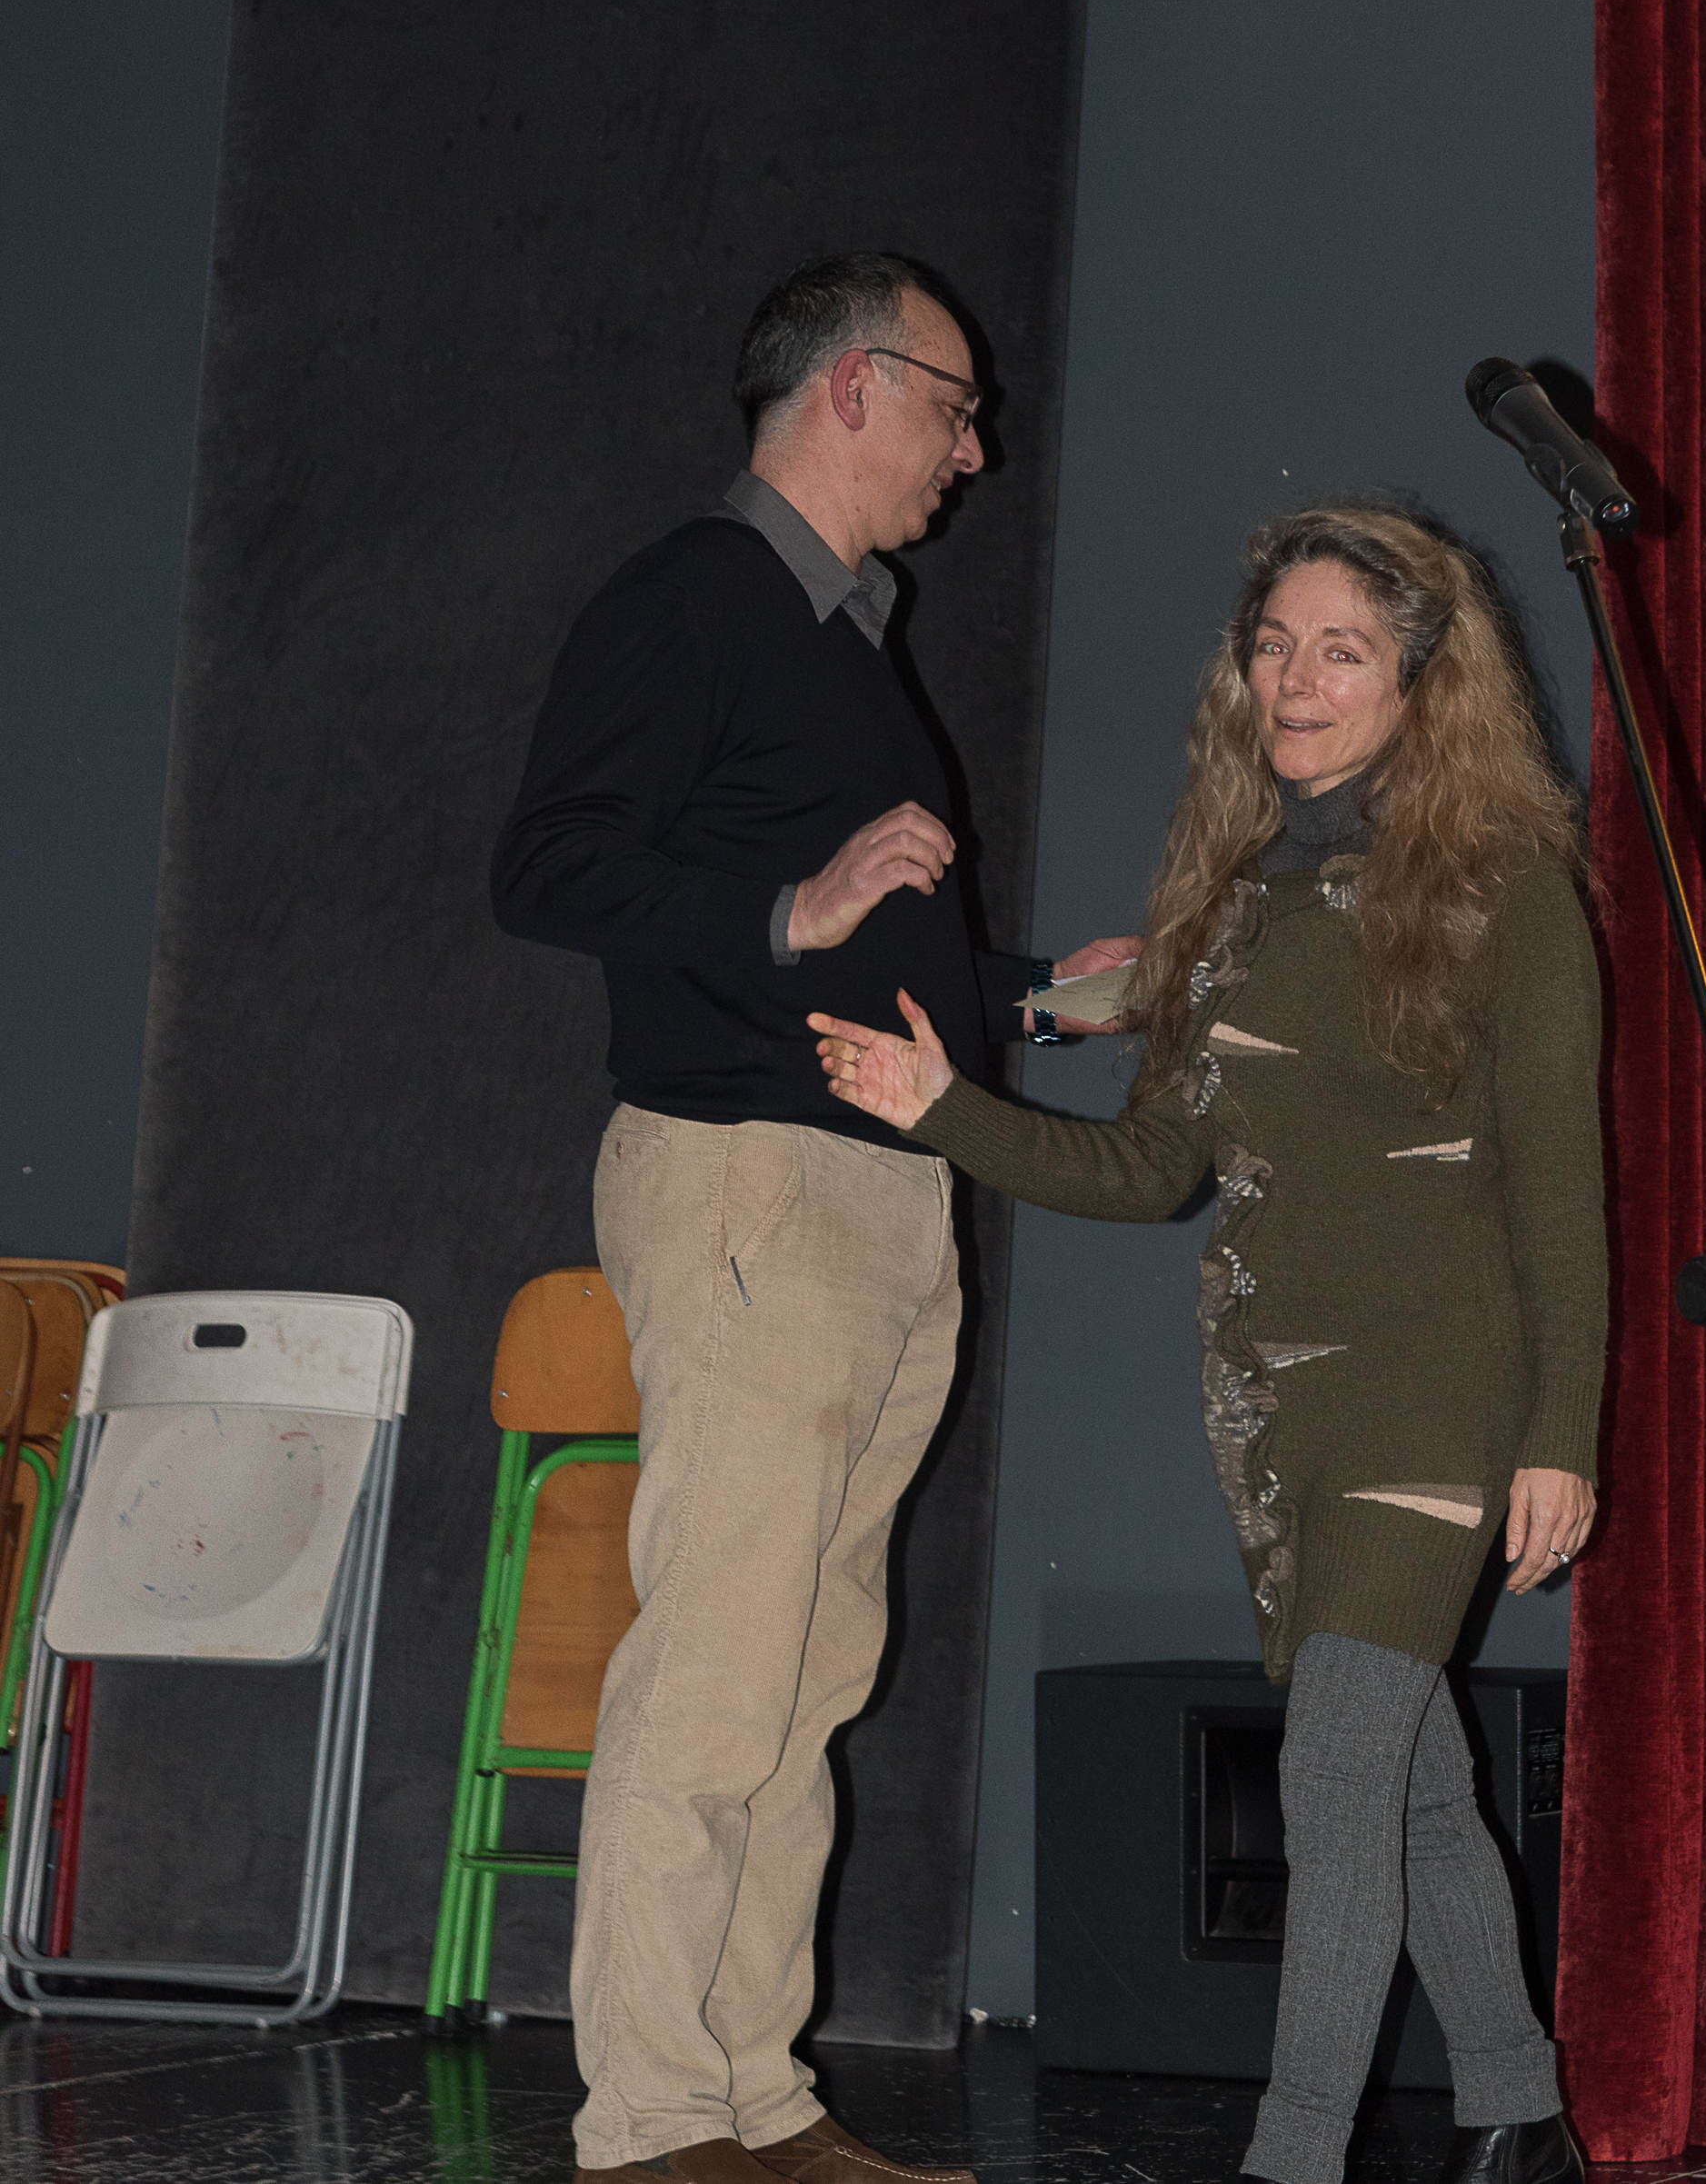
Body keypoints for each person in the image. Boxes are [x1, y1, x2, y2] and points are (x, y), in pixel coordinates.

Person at [809, 504, 1609, 2184]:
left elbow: (1561, 1192)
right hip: (1276, 1405)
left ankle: (1290, 2158)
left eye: (1343, 651)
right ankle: (1521, 2111)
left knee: (1334, 1777)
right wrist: (946, 1106)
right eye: (1273, 646)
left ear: (1421, 683)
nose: (1296, 681)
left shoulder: (1510, 890)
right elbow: (1150, 1169)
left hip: (1440, 1394)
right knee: (1409, 1787)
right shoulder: (1231, 903)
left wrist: (1563, 1436)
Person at [493, 250, 1132, 2184]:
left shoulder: (848, 643)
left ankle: (757, 2100)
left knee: (807, 1676)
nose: (973, 448)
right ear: (854, 385)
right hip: (751, 1178)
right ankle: (652, 2118)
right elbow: (548, 866)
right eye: (954, 405)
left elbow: (879, 949)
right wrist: (789, 910)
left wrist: (1044, 1001)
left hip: (879, 1191)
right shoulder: (696, 594)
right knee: (718, 1666)